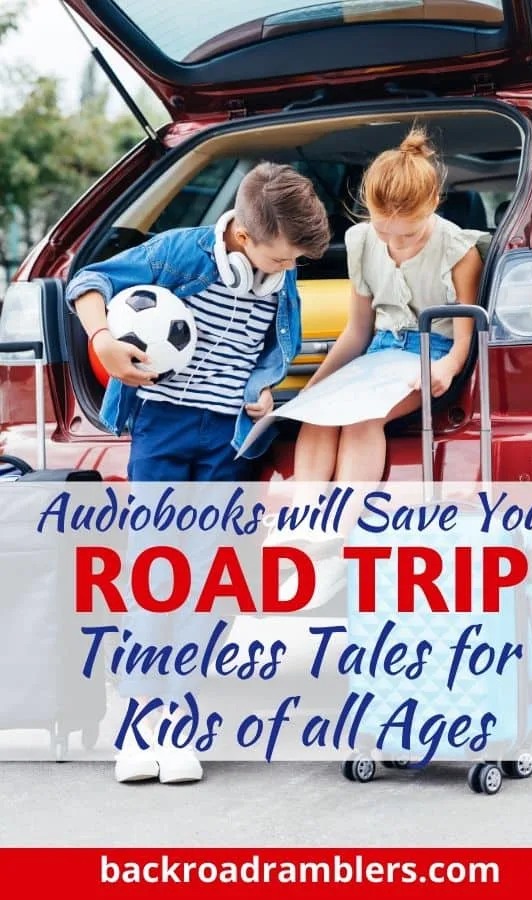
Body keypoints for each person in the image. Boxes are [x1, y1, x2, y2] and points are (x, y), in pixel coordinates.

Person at [65, 162, 330, 783]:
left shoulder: (277, 280)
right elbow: (88, 279)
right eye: (283, 259)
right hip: (164, 430)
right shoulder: (179, 253)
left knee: (213, 575)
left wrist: (260, 389)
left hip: (229, 442)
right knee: (156, 567)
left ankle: (173, 715)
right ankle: (138, 720)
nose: (289, 271)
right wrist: (103, 338)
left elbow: (269, 348)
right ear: (243, 239)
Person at [272, 126, 488, 604]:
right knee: (317, 412)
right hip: (378, 353)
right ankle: (305, 527)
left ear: (433, 203)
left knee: (362, 417)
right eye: (384, 229)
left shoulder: (459, 250)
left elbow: (463, 338)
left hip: (430, 352)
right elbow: (357, 331)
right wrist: (316, 386)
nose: (397, 242)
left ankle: (336, 531)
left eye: (408, 233)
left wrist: (448, 368)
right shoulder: (360, 240)